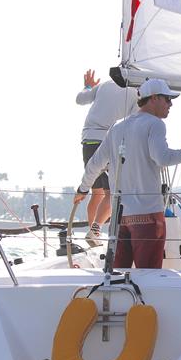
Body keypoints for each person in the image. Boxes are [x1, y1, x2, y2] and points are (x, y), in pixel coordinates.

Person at [73, 78, 181, 269]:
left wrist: (83, 189)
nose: (171, 104)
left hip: (119, 220)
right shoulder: (155, 124)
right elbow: (163, 158)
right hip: (148, 217)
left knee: (118, 274)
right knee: (149, 277)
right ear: (154, 98)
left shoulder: (117, 127)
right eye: (167, 99)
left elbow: (94, 164)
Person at [76, 69, 139, 243]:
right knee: (111, 193)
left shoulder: (103, 85)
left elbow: (79, 99)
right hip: (109, 142)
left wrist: (88, 86)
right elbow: (134, 121)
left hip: (88, 139)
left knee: (97, 193)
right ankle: (95, 231)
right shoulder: (136, 93)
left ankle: (92, 235)